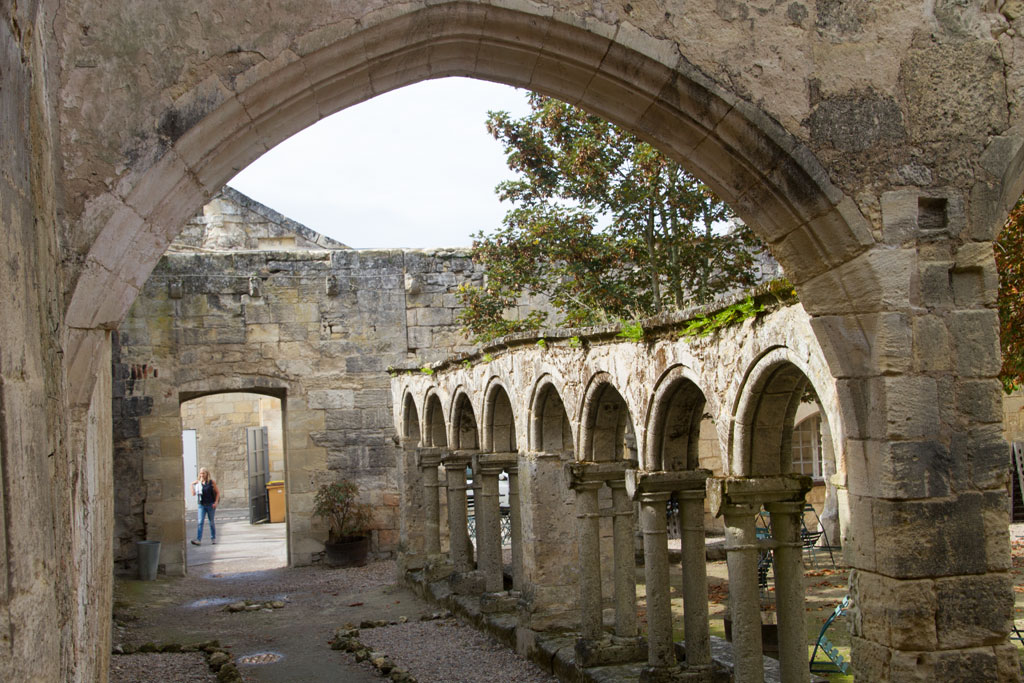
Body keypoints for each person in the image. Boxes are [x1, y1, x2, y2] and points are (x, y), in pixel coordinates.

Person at [190, 468, 220, 545]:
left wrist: (216, 502)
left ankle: (213, 538)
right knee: (200, 522)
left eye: (203, 473)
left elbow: (217, 492)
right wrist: (191, 485)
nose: (202, 475)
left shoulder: (211, 482)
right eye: (201, 473)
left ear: (207, 474)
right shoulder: (198, 483)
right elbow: (193, 494)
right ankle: (198, 540)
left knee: (211, 522)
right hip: (201, 505)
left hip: (210, 504)